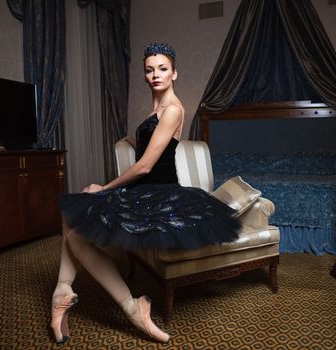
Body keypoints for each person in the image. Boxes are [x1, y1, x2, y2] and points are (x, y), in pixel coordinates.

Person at [50, 42, 241, 345]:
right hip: (142, 190)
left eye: (162, 69)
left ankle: (121, 305)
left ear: (174, 73)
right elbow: (144, 142)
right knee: (71, 215)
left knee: (74, 228)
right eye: (149, 70)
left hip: (160, 193)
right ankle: (65, 293)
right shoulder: (155, 111)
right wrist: (131, 139)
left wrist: (105, 187)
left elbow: (145, 166)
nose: (155, 75)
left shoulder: (173, 110)